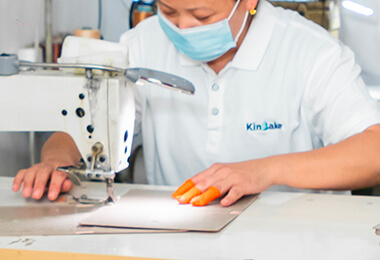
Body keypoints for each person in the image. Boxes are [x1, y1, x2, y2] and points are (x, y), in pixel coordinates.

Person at [13, 0, 380, 207]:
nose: (183, 28)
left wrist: (264, 171)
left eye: (202, 16)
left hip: (291, 242)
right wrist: (56, 162)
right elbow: (83, 126)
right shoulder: (142, 43)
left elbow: (374, 150)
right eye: (169, 12)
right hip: (173, 239)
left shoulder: (311, 52)